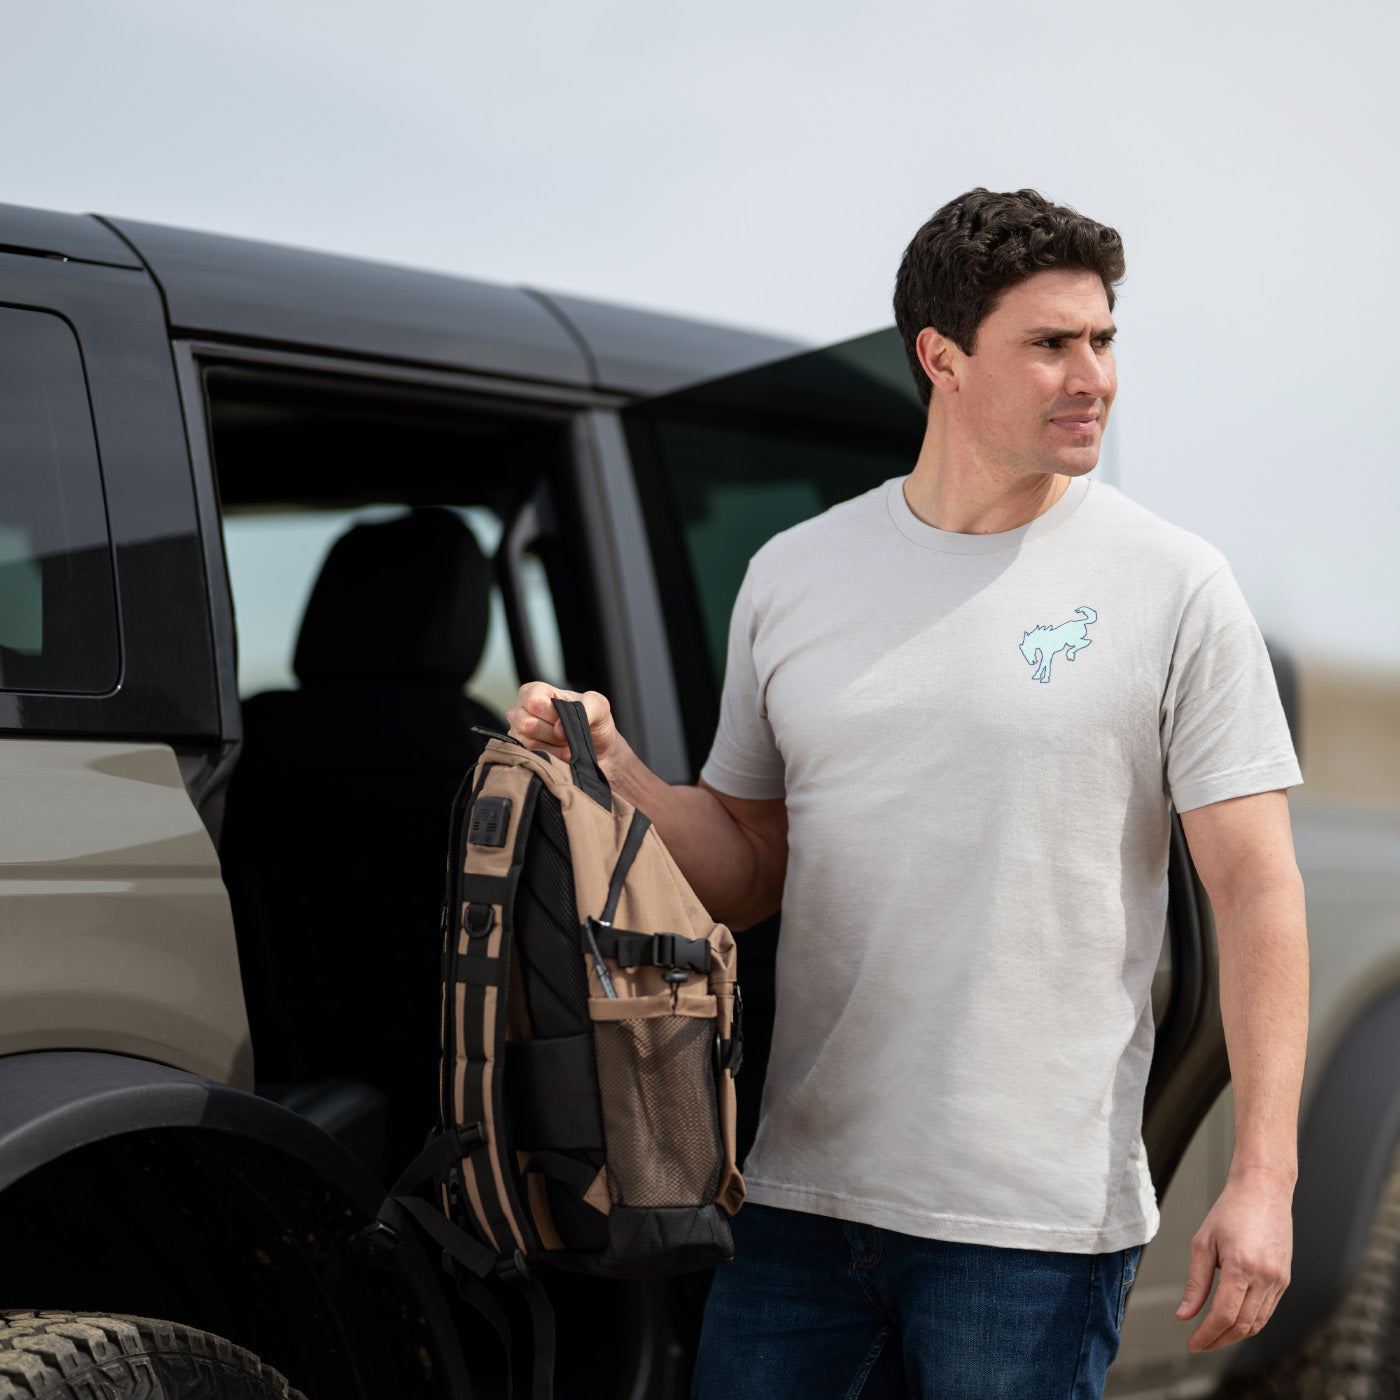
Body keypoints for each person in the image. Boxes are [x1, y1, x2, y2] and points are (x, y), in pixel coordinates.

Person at [507, 188, 1308, 1400]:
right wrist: (617, 774)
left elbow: (1254, 890)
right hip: (797, 1204)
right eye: (1049, 343)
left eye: (1101, 339)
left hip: (1032, 1230)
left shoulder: (1172, 584)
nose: (1090, 373)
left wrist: (1263, 1176)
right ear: (940, 356)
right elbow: (747, 864)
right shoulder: (795, 575)